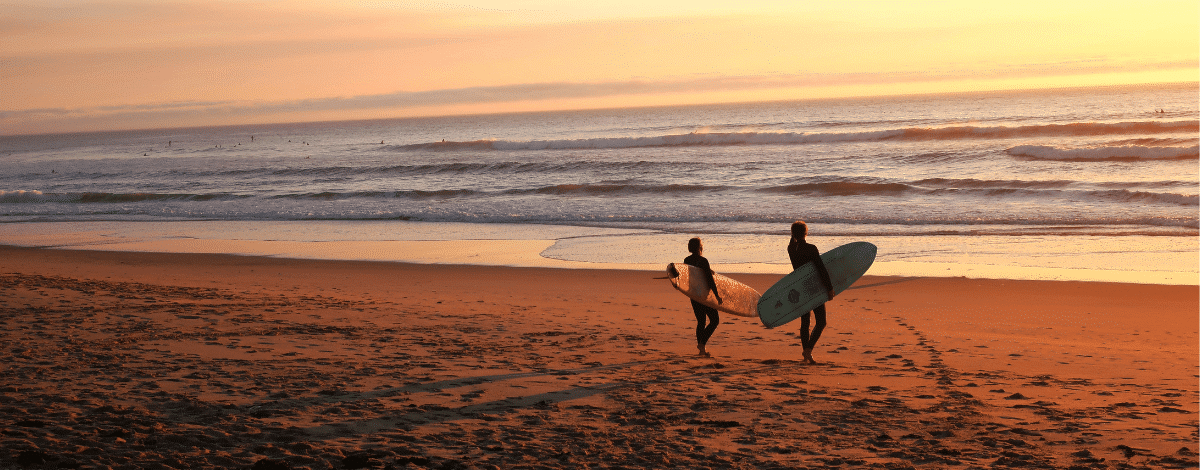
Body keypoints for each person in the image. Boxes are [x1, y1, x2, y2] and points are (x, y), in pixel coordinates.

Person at [788, 221, 835, 364]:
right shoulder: (811, 248)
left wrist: (792, 235)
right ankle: (808, 350)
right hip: (814, 288)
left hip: (800, 288)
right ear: (806, 232)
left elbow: (792, 242)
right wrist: (829, 288)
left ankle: (806, 353)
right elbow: (821, 269)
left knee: (805, 322)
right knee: (821, 322)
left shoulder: (791, 249)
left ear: (793, 233)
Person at [684, 237, 722, 357]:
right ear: (700, 247)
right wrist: (717, 295)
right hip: (703, 295)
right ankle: (702, 343)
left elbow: (691, 274)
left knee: (701, 321)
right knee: (715, 320)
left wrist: (708, 270)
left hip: (693, 294)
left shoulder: (687, 260)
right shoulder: (703, 261)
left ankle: (702, 350)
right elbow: (710, 280)